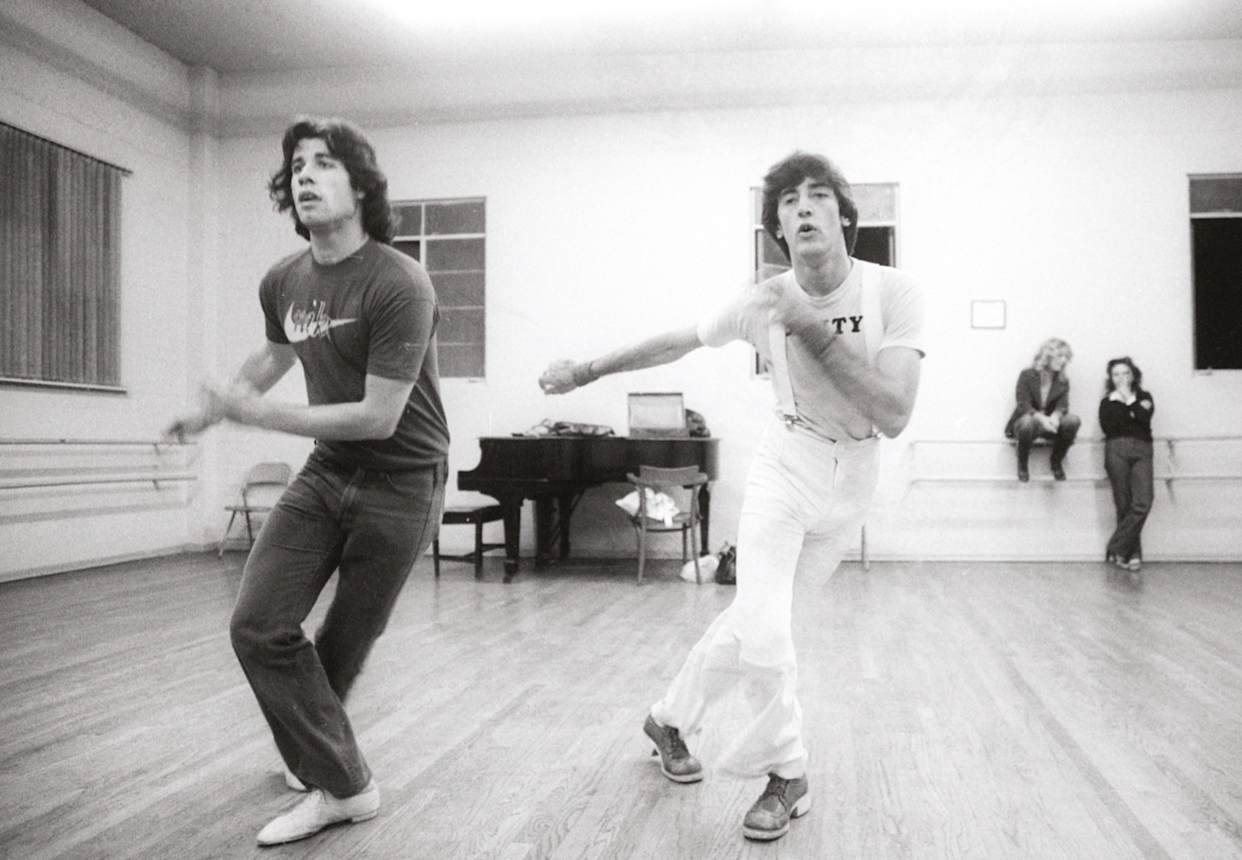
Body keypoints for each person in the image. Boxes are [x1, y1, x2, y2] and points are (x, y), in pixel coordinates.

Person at [539, 151, 925, 842]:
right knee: (769, 633)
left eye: (816, 197)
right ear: (777, 226)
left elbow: (894, 412)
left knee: (754, 626)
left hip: (856, 476)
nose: (802, 208)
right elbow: (678, 341)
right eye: (787, 202)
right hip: (788, 464)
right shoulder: (760, 300)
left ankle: (669, 719)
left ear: (844, 216)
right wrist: (585, 370)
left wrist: (808, 330)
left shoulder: (892, 293)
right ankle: (788, 772)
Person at [164, 117, 449, 846]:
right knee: (258, 622)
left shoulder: (400, 281)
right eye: (296, 166)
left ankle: (326, 768)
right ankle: (347, 786)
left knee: (342, 647)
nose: (305, 175)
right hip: (327, 472)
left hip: (404, 480)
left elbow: (380, 417)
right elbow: (271, 358)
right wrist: (212, 413)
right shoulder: (284, 279)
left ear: (360, 185)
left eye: (324, 163)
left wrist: (255, 415)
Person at [1099, 356, 1154, 572]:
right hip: (1116, 450)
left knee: (1143, 502)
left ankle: (1115, 546)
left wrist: (1129, 401)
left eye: (1125, 373)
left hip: (1142, 450)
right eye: (1116, 374)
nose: (1121, 377)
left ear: (1133, 375)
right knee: (1123, 504)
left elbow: (1144, 419)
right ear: (1111, 378)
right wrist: (1130, 410)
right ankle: (1131, 554)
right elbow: (1111, 427)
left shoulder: (1145, 397)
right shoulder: (1107, 402)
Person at [1004, 338, 1081, 481]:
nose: (1063, 361)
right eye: (1060, 356)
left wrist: (1056, 416)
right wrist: (1043, 419)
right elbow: (1023, 404)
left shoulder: (1063, 380)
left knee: (1073, 420)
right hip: (1028, 424)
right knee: (1028, 421)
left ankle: (1056, 461)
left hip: (1050, 426)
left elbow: (1063, 405)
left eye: (1066, 357)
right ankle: (1022, 462)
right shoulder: (1027, 375)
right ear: (1048, 356)